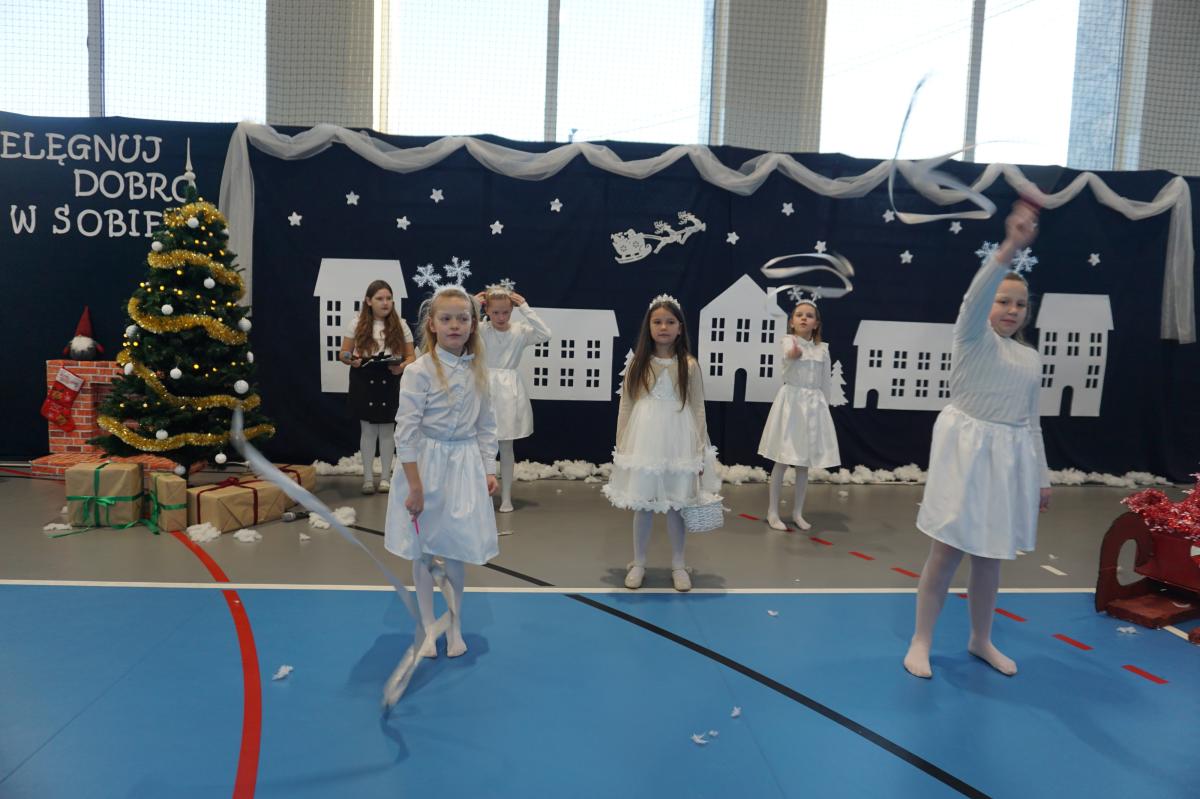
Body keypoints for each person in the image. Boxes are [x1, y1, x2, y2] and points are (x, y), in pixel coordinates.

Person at [903, 200, 1050, 679]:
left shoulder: (1029, 359)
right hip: (965, 454)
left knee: (989, 558)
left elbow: (1031, 422)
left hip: (1006, 460)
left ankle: (981, 639)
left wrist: (1041, 477)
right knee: (946, 552)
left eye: (1020, 304)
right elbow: (974, 298)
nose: (1011, 310)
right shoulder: (972, 339)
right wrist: (1010, 247)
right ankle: (921, 641)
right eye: (1003, 301)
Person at [385, 285, 499, 658]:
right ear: (432, 324)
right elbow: (406, 431)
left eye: (462, 318)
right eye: (446, 318)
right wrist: (415, 486)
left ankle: (454, 625)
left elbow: (486, 425)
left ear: (473, 325)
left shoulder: (480, 370)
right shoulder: (418, 371)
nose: (454, 325)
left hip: (464, 466)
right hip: (425, 466)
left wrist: (488, 468)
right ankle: (426, 625)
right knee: (423, 551)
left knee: (455, 548)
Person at [602, 294, 721, 592]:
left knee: (677, 505)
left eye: (670, 322)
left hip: (679, 441)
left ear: (680, 328)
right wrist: (622, 443)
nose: (664, 327)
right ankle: (639, 562)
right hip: (645, 439)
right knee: (643, 504)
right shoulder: (638, 363)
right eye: (657, 322)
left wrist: (699, 450)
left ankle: (679, 564)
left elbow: (697, 407)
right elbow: (627, 404)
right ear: (649, 327)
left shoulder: (689, 365)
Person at [757, 299, 841, 531]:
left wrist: (824, 408)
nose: (804, 318)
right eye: (799, 315)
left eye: (809, 315)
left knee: (804, 464)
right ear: (792, 322)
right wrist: (793, 351)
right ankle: (773, 511)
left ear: (816, 324)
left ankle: (797, 512)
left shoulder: (822, 349)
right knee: (783, 459)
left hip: (813, 407)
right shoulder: (788, 341)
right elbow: (789, 354)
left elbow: (825, 381)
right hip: (792, 406)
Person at [474, 285, 551, 512]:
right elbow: (463, 327)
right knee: (481, 445)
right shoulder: (481, 330)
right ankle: (482, 496)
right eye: (495, 312)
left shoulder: (519, 331)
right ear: (487, 311)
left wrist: (525, 308)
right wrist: (473, 305)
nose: (501, 317)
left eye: (506, 312)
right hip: (483, 386)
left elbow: (545, 334)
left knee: (506, 446)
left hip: (508, 391)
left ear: (512, 311)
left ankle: (506, 496)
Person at [339, 280, 415, 494]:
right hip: (364, 378)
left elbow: (411, 356)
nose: (385, 303)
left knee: (388, 430)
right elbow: (343, 353)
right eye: (380, 298)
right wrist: (350, 359)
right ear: (368, 301)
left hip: (390, 379)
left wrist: (401, 368)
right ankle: (367, 479)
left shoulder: (401, 324)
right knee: (368, 430)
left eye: (389, 298)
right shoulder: (356, 323)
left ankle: (385, 478)